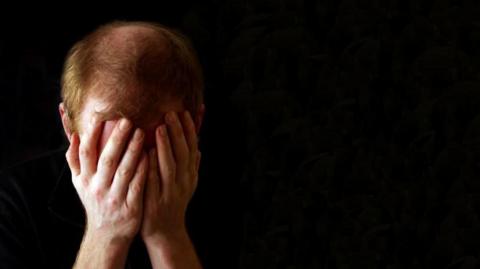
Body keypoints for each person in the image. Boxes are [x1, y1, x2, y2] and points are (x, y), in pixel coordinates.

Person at [0, 20, 206, 268]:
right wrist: (105, 232)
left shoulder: (246, 189)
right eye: (114, 152)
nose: (130, 175)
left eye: (151, 150)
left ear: (194, 125)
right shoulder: (12, 201)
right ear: (68, 125)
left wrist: (168, 235)